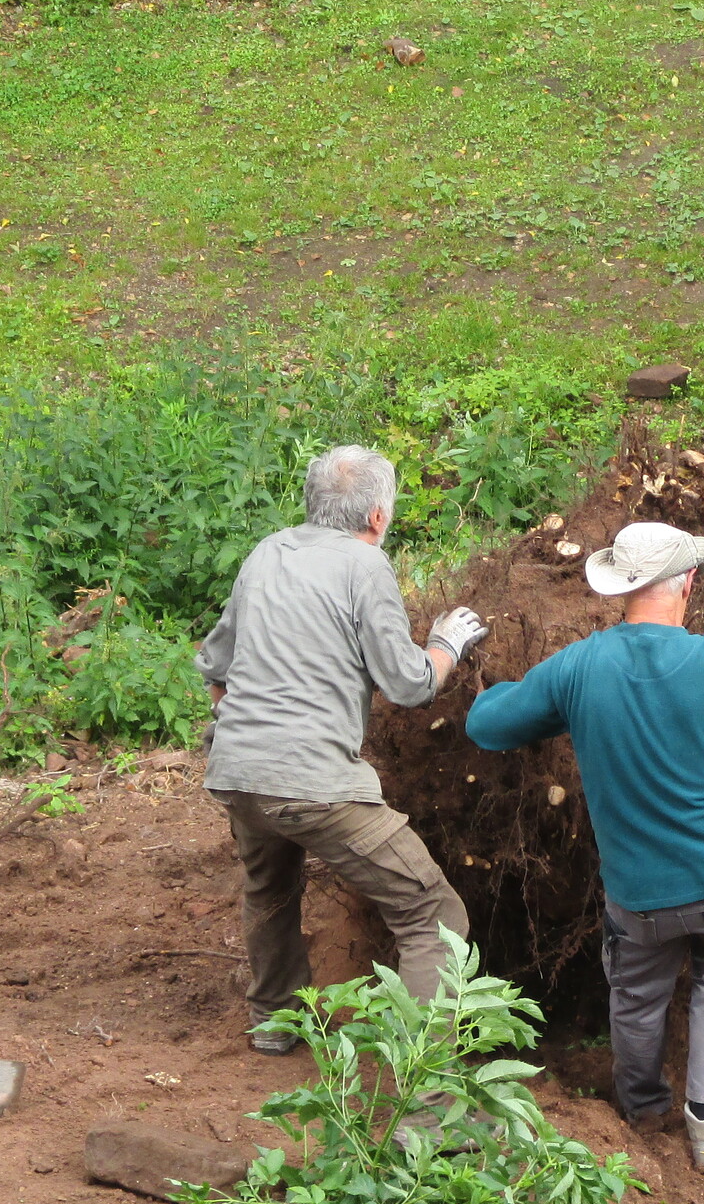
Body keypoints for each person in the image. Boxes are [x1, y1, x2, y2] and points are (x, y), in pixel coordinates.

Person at [465, 521, 704, 1173]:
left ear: (620, 588)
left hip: (641, 898)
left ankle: (642, 1110)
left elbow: (487, 726)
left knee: (636, 997)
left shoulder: (577, 667)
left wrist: (503, 685)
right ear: (688, 582)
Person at [196, 444, 487, 1055]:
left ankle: (276, 1021)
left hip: (236, 773)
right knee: (432, 914)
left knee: (269, 887)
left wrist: (248, 729)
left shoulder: (267, 551)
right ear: (377, 516)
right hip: (314, 787)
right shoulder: (365, 564)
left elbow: (215, 666)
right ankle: (425, 1091)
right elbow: (408, 684)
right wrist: (446, 645)